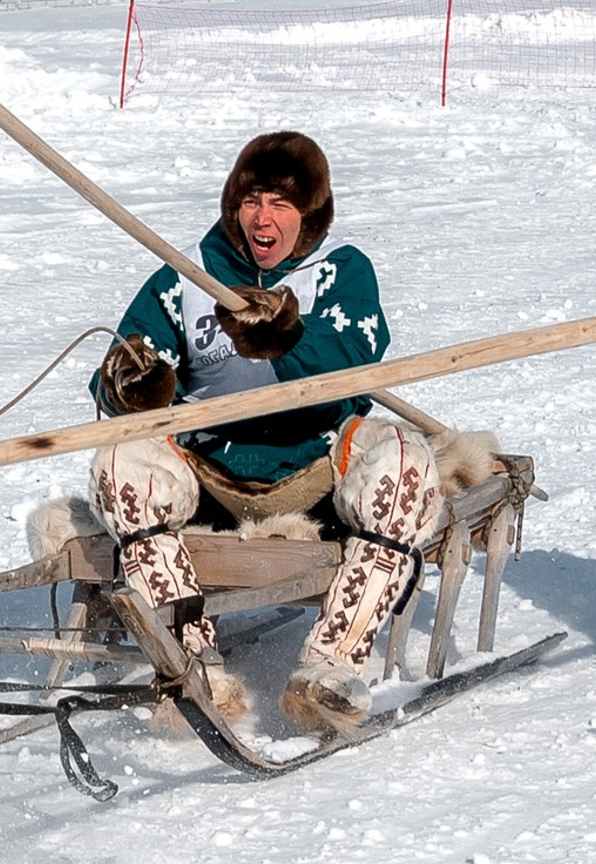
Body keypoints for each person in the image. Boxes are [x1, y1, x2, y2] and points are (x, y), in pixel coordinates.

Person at [84, 128, 443, 734]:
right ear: (234, 209)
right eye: (253, 202)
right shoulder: (186, 279)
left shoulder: (340, 271)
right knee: (118, 461)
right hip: (210, 474)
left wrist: (290, 338)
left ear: (309, 216)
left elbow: (358, 350)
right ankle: (193, 665)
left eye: (281, 204)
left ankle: (330, 668)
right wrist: (128, 384)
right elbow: (124, 363)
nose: (264, 217)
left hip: (316, 466)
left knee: (408, 463)